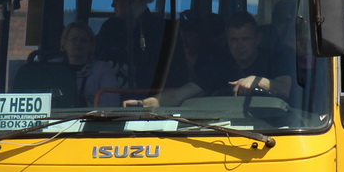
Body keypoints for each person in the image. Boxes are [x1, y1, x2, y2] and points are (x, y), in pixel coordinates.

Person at [125, 12, 291, 108]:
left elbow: (285, 89)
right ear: (227, 40)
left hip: (273, 129)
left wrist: (257, 81)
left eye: (245, 39)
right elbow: (179, 95)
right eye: (234, 40)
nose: (239, 45)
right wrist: (142, 104)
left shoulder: (275, 58)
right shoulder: (221, 65)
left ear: (258, 39)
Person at [95, 0, 163, 89]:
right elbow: (96, 60)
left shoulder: (159, 28)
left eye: (116, 0)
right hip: (111, 96)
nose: (112, 5)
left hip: (152, 97)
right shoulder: (110, 28)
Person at [56, 21, 121, 107]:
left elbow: (111, 104)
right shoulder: (53, 67)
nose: (78, 43)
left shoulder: (103, 69)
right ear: (64, 43)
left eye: (83, 40)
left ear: (91, 45)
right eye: (73, 39)